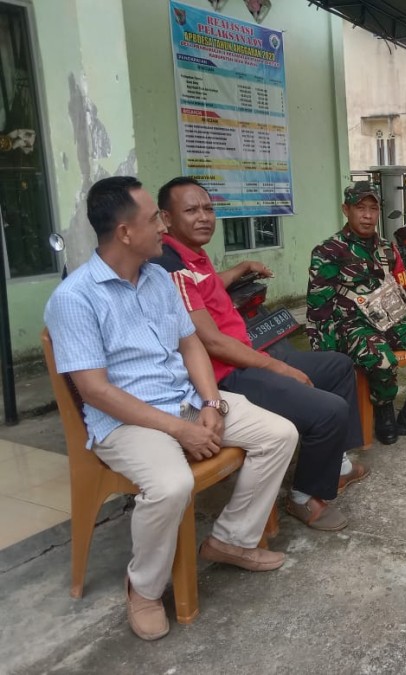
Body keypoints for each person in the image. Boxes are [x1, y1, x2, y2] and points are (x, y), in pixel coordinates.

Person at [44, 176, 298, 641]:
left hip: (185, 399)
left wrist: (211, 402)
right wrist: (180, 431)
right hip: (127, 420)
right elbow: (97, 392)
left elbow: (191, 345)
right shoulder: (74, 299)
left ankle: (231, 540)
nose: (164, 227)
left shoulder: (159, 278)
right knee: (171, 483)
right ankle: (142, 589)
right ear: (124, 232)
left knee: (280, 434)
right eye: (154, 218)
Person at [153, 177, 366, 532]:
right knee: (329, 410)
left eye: (208, 208)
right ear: (166, 217)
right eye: (191, 210)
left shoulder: (193, 255)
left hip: (245, 352)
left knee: (339, 365)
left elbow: (206, 287)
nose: (204, 217)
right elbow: (213, 343)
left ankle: (336, 464)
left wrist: (239, 268)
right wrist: (279, 366)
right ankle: (301, 496)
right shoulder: (170, 265)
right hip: (227, 374)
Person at [306, 181, 406, 445]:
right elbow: (318, 310)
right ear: (346, 209)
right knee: (381, 359)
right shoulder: (329, 251)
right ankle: (384, 409)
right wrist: (326, 356)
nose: (367, 215)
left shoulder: (386, 248)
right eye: (360, 208)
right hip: (354, 326)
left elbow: (401, 288)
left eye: (373, 208)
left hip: (395, 321)